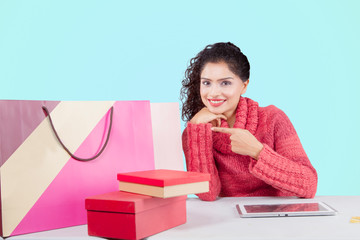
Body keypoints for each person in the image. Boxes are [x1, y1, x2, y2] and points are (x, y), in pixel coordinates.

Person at [180, 42, 317, 201]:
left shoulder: (272, 118)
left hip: (278, 217)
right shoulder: (195, 131)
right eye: (206, 83)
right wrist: (198, 130)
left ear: (244, 85)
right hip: (229, 219)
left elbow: (309, 184)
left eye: (225, 83)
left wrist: (257, 151)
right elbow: (207, 193)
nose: (214, 92)